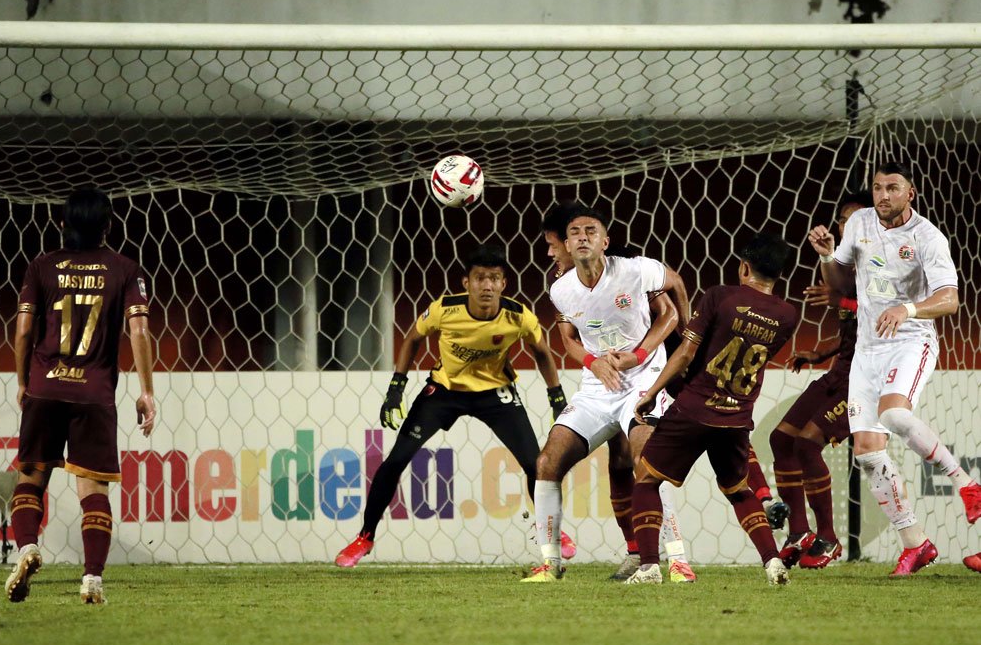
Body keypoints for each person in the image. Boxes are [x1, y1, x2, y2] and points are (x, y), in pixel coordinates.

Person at [335, 245, 571, 567]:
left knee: (538, 465)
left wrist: (556, 396)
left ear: (504, 284)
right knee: (395, 461)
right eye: (480, 279)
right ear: (466, 283)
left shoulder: (518, 316)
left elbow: (542, 351)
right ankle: (365, 537)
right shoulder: (444, 309)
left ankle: (553, 533)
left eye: (494, 279)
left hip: (496, 394)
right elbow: (412, 339)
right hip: (445, 392)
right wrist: (396, 390)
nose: (487, 286)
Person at [809, 161, 981, 576]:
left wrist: (908, 309)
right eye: (878, 187)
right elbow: (840, 284)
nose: (883, 195)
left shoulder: (927, 237)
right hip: (868, 351)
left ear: (911, 193)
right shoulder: (861, 222)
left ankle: (966, 483)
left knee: (893, 413)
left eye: (893, 188)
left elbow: (950, 300)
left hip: (910, 341)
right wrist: (828, 255)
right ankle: (916, 544)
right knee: (868, 453)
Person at [521, 206, 691, 583]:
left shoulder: (634, 270)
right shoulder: (561, 290)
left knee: (646, 462)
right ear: (567, 244)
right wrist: (593, 362)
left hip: (642, 383)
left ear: (605, 241)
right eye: (574, 233)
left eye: (590, 231)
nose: (582, 237)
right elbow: (567, 341)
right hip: (599, 389)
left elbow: (676, 289)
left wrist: (648, 353)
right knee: (548, 461)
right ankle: (550, 564)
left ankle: (678, 561)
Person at [5, 187, 157, 604]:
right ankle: (91, 579)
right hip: (93, 394)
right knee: (93, 489)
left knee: (31, 477)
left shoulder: (41, 267)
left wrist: (22, 381)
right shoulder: (125, 269)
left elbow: (21, 330)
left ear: (62, 225)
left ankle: (28, 548)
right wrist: (147, 392)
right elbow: (139, 330)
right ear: (108, 226)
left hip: (45, 385)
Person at [628, 232, 798, 586]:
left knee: (645, 480)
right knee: (739, 491)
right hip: (736, 418)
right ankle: (772, 563)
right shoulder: (787, 314)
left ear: (744, 266)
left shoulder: (721, 295)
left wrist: (653, 392)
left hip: (694, 409)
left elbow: (688, 353)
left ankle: (648, 568)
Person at [769, 191, 869, 569]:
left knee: (808, 444)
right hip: (839, 371)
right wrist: (821, 351)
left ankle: (827, 537)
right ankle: (799, 531)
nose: (850, 225)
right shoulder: (845, 271)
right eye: (845, 219)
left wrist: (840, 301)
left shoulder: (881, 266)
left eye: (859, 218)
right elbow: (853, 329)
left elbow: (889, 318)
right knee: (781, 439)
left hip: (865, 380)